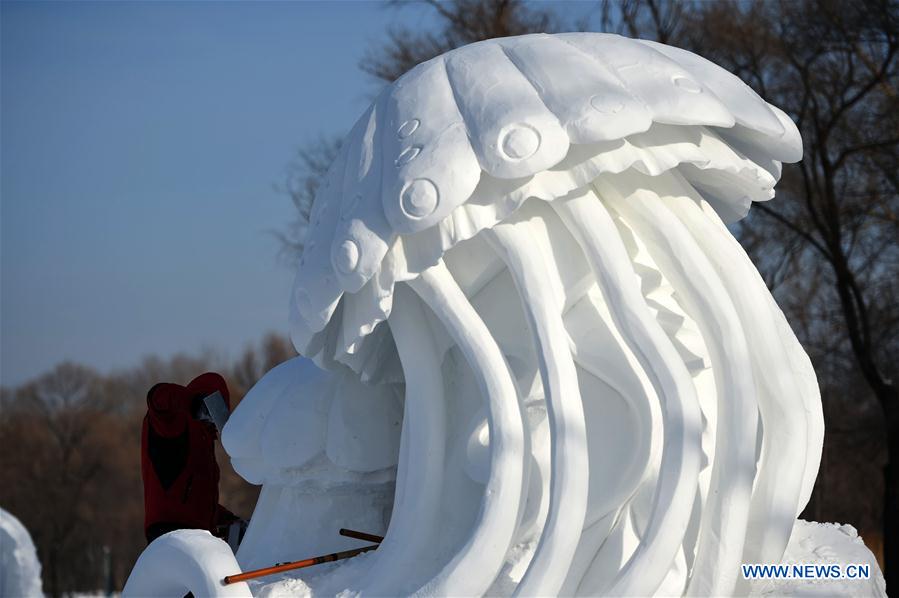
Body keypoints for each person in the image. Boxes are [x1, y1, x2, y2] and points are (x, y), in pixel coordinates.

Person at [141, 372, 240, 545]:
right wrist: (195, 403)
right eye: (213, 410)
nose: (213, 420)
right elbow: (157, 397)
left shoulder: (204, 441)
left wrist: (231, 521)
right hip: (170, 532)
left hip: (195, 534)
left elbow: (196, 499)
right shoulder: (172, 423)